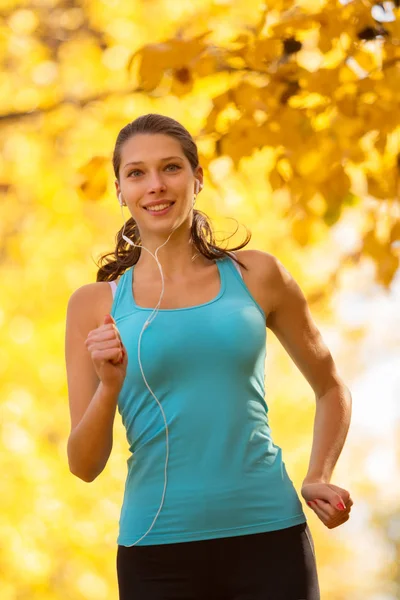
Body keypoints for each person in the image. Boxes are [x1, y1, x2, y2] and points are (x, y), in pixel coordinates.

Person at [65, 113, 353, 600]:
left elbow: (330, 387)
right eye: (137, 173)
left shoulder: (258, 275)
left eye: (171, 168)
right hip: (156, 549)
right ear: (120, 189)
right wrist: (110, 386)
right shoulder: (94, 304)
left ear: (197, 178)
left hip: (271, 535)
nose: (155, 186)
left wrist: (319, 474)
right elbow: (84, 465)